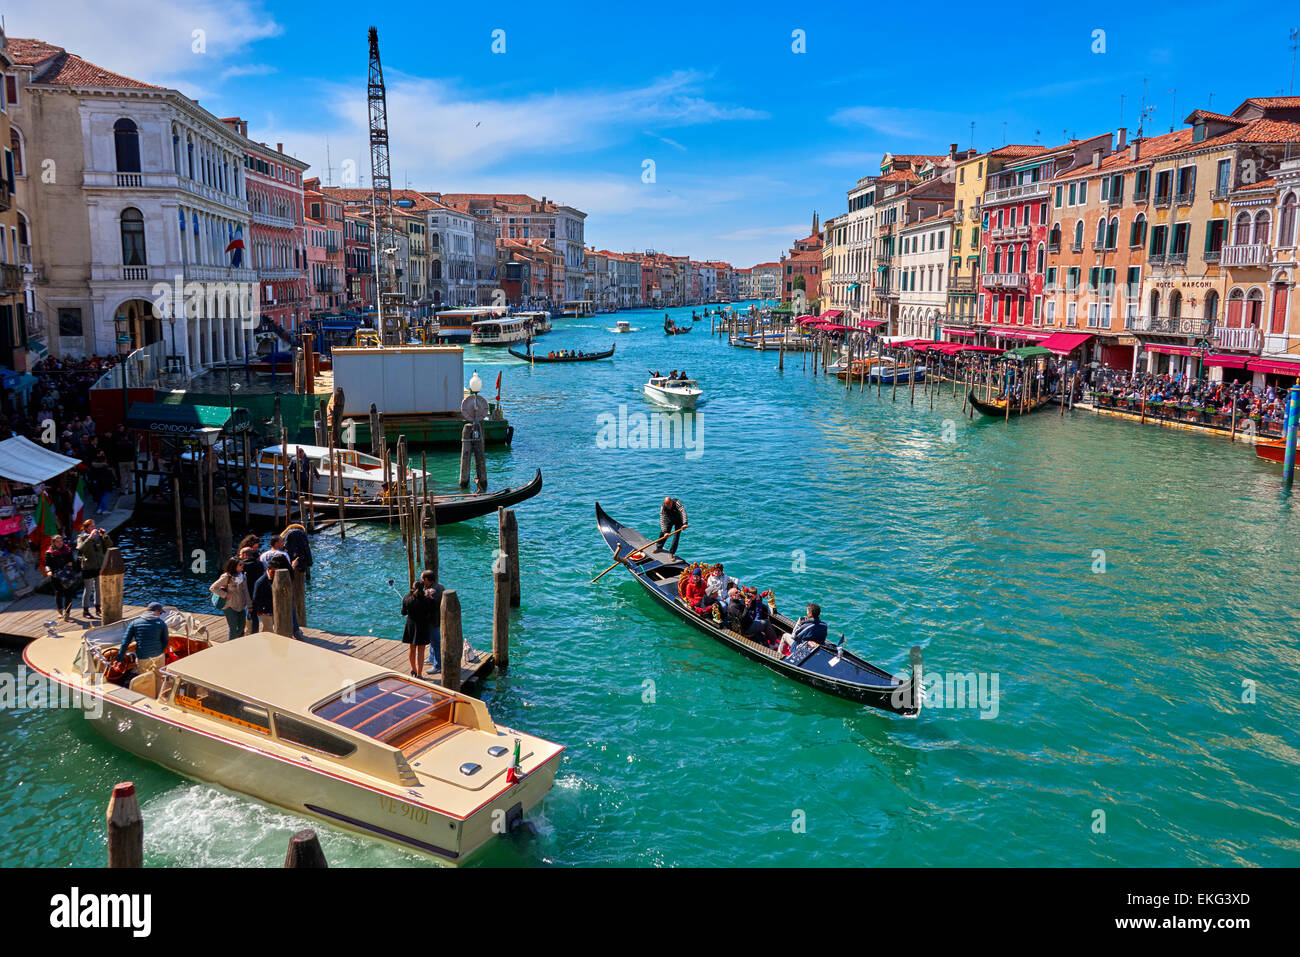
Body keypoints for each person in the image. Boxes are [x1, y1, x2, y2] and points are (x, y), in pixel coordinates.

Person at [401, 571, 438, 679]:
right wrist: (431, 597)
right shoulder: (426, 599)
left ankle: (413, 669)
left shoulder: (406, 598)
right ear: (422, 588)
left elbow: (403, 613)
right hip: (422, 627)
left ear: (412, 587)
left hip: (411, 625)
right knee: (421, 651)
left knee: (412, 649)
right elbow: (432, 610)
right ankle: (420, 674)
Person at [118, 602, 169, 677]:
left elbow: (125, 642)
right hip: (159, 656)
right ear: (156, 612)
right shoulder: (161, 623)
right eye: (160, 613)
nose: (160, 615)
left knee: (145, 680)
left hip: (143, 657)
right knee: (158, 678)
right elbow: (166, 641)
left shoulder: (134, 623)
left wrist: (120, 658)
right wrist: (160, 651)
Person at [75, 519, 113, 618]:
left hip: (99, 565)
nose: (94, 528)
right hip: (88, 566)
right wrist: (90, 537)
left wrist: (105, 536)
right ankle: (85, 610)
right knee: (88, 589)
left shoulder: (99, 537)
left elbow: (109, 545)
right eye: (91, 526)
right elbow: (81, 548)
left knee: (98, 588)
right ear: (87, 528)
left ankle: (98, 608)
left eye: (94, 525)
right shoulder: (81, 537)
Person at [209, 557, 250, 641]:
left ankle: (235, 642)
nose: (242, 566)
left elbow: (246, 591)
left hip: (241, 606)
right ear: (234, 566)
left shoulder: (243, 576)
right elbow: (213, 587)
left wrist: (249, 604)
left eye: (242, 564)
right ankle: (230, 646)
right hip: (229, 606)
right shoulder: (226, 577)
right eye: (240, 565)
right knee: (233, 628)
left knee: (242, 626)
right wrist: (225, 594)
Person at [251, 554, 291, 633]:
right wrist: (263, 607)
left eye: (276, 572)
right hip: (264, 610)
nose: (274, 574)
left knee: (268, 628)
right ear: (268, 570)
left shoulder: (275, 578)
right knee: (269, 629)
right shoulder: (261, 582)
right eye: (273, 572)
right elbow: (256, 598)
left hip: (272, 609)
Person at [45, 535, 80, 621]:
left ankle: (67, 614)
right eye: (58, 541)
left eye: (61, 541)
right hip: (56, 576)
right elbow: (47, 564)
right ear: (53, 542)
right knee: (58, 593)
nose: (60, 543)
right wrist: (48, 571)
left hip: (67, 575)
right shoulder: (49, 552)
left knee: (69, 595)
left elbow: (72, 561)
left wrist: (71, 563)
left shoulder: (67, 550)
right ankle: (60, 611)